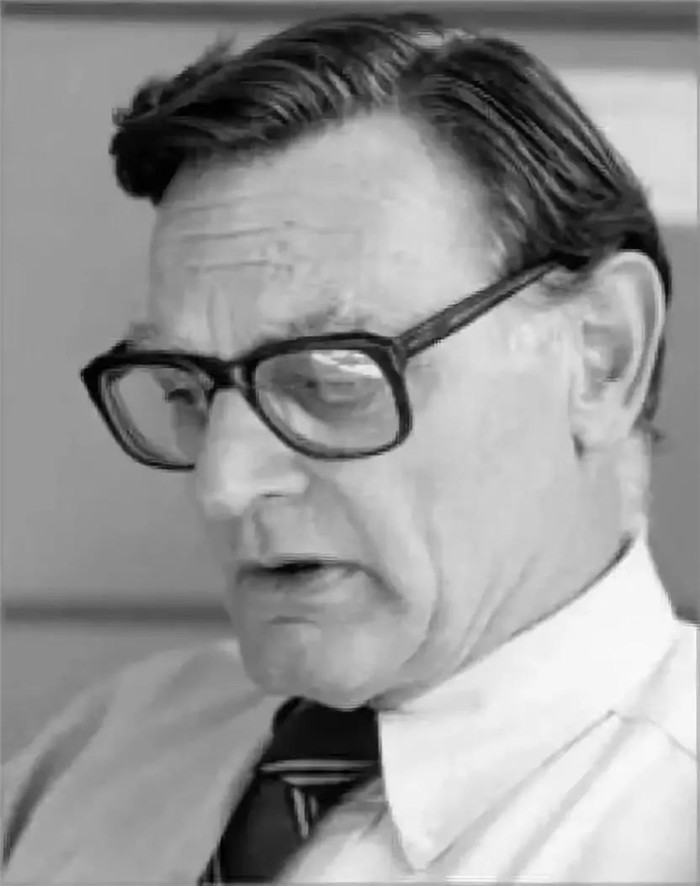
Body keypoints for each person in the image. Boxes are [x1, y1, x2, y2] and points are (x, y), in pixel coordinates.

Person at [2, 10, 696, 884]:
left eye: (332, 379)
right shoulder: (111, 743)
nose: (223, 482)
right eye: (186, 392)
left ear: (603, 355)